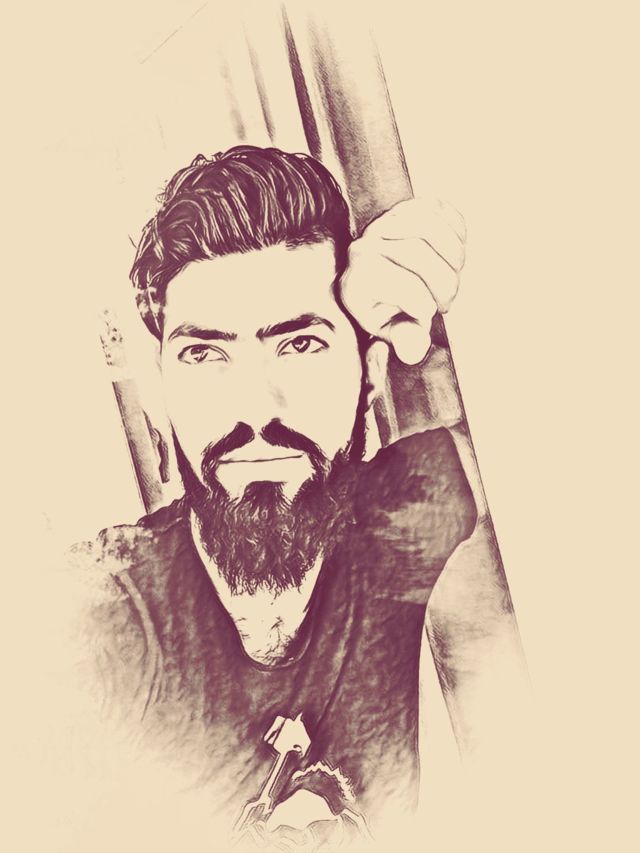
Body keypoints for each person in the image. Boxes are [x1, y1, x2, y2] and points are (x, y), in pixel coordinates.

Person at [73, 145, 509, 846]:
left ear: (369, 372)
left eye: (300, 345)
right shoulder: (94, 619)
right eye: (204, 353)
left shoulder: (404, 519)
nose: (254, 410)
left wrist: (467, 270)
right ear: (160, 391)